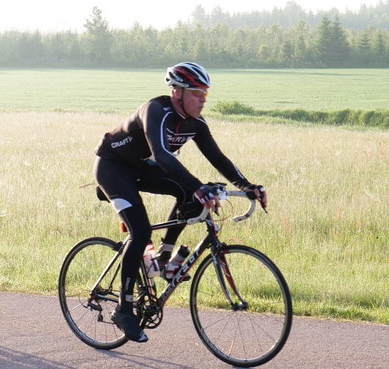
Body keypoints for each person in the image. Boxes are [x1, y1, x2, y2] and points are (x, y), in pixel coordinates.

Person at [93, 62, 266, 342]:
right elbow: (162, 155)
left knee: (191, 195)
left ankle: (163, 257)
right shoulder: (156, 111)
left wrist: (248, 187)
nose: (203, 100)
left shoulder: (195, 123)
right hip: (113, 169)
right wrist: (198, 187)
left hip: (143, 170)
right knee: (141, 231)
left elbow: (218, 158)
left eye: (205, 94)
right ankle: (124, 309)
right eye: (197, 93)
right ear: (177, 92)